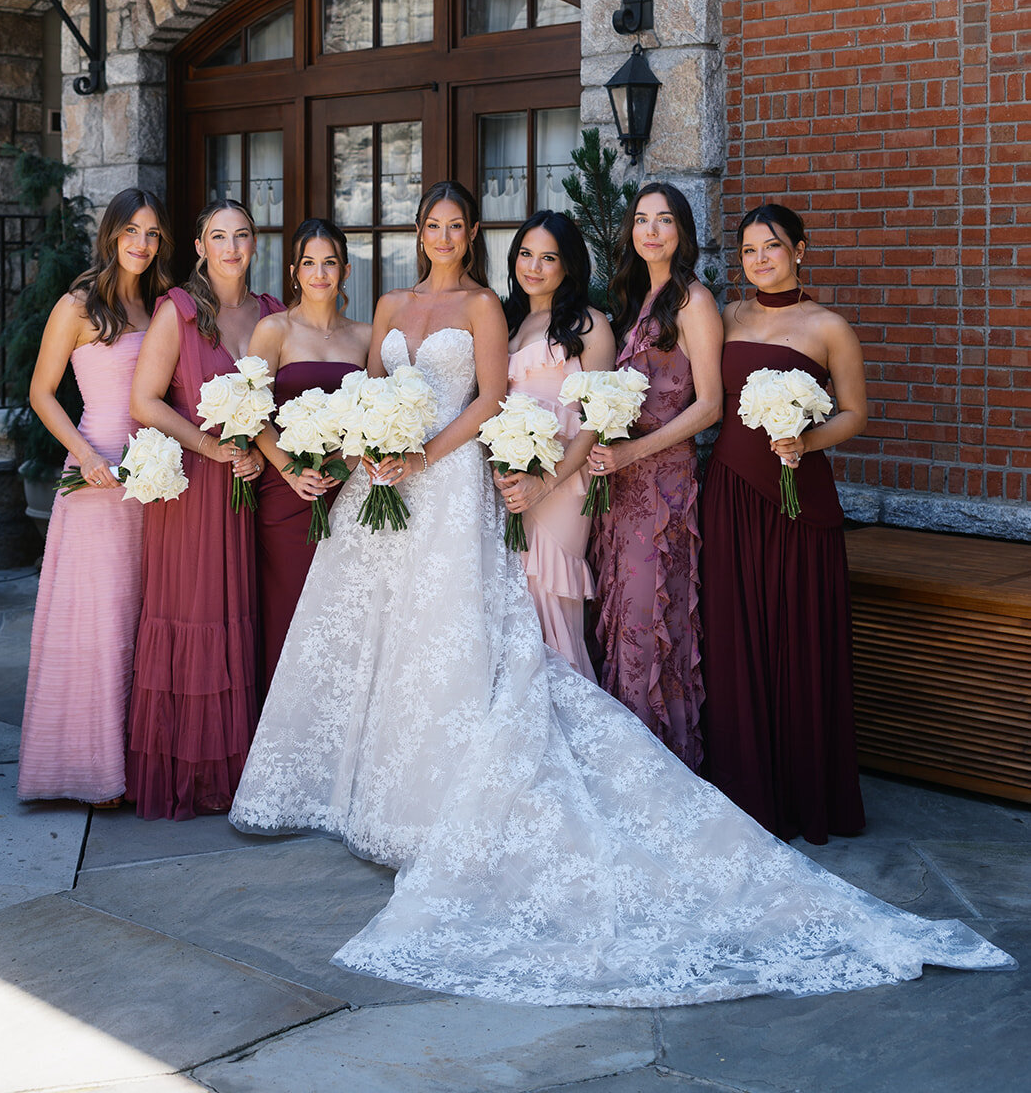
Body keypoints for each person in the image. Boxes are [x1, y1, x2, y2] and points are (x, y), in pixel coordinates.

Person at [230, 181, 1010, 1008]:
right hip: (405, 482)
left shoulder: (538, 313)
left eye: (461, 225)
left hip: (478, 479)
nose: (448, 235)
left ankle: (486, 784)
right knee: (393, 636)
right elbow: (368, 388)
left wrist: (440, 460)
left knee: (474, 629)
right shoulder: (410, 303)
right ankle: (373, 787)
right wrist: (367, 448)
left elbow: (504, 399)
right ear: (421, 232)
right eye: (434, 224)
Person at [700, 202, 869, 845]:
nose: (759, 259)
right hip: (732, 496)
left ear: (799, 249)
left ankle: (805, 794)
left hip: (798, 497)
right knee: (735, 634)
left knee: (797, 633)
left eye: (771, 247)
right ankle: (745, 788)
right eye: (747, 251)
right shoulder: (726, 318)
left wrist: (808, 438)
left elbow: (856, 412)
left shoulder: (829, 326)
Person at [125, 199, 282, 820]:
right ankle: (190, 774)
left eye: (242, 236)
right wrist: (212, 447)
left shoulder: (272, 313)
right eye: (219, 236)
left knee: (243, 613)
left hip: (252, 487)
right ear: (199, 245)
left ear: (254, 244)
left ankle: (240, 766)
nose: (232, 247)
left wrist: (259, 454)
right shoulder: (179, 311)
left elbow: (280, 403)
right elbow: (145, 402)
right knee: (196, 614)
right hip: (194, 489)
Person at [18, 188, 173, 807]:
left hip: (156, 481)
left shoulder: (163, 306)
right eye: (130, 230)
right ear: (111, 234)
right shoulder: (80, 305)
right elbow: (41, 392)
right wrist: (85, 455)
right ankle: (88, 770)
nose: (141, 243)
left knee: (144, 617)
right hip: (96, 478)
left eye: (153, 233)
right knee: (98, 622)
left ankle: (136, 761)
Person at [589, 183, 723, 771]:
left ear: (682, 232)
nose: (651, 230)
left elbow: (710, 404)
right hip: (621, 486)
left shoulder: (693, 300)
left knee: (651, 623)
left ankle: (660, 770)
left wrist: (635, 450)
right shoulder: (636, 302)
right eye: (641, 220)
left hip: (663, 484)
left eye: (663, 220)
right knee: (621, 619)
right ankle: (624, 765)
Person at [249, 219, 370, 695]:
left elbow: (371, 416)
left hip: (347, 489)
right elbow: (252, 413)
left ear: (345, 270)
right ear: (294, 272)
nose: (320, 273)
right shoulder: (272, 330)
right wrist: (290, 470)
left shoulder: (365, 336)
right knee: (288, 609)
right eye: (309, 263)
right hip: (286, 492)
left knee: (341, 615)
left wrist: (343, 462)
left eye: (329, 262)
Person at [495, 210, 614, 678]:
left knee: (549, 589)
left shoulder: (589, 326)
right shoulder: (509, 323)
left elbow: (595, 422)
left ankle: (565, 703)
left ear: (569, 265)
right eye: (526, 254)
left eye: (549, 257)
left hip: (563, 483)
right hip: (511, 480)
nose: (534, 267)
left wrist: (544, 483)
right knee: (514, 596)